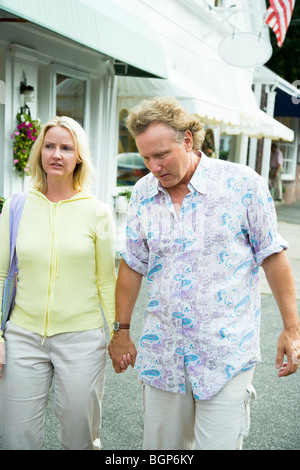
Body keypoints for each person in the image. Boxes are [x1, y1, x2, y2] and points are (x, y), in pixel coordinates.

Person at [108, 97, 300, 450]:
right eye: (146, 157)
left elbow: (272, 254)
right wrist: (121, 330)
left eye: (161, 154)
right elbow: (133, 263)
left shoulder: (243, 184)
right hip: (163, 354)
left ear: (187, 140)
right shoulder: (142, 194)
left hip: (225, 354)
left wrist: (291, 328)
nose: (153, 166)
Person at [0, 116, 116, 450]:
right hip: (23, 337)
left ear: (79, 157)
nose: (57, 154)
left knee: (80, 435)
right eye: (50, 146)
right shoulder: (16, 206)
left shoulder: (97, 212)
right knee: (16, 437)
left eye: (67, 148)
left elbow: (106, 281)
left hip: (82, 338)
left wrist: (115, 333)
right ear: (39, 153)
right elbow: (0, 274)